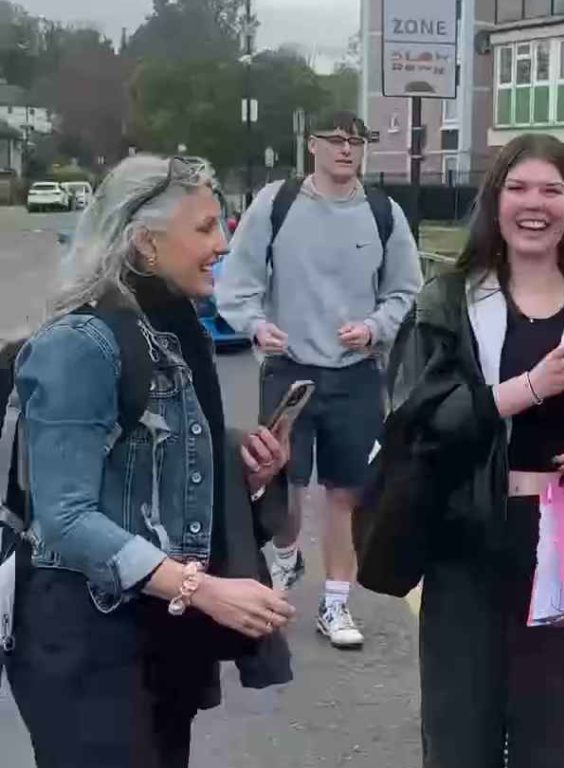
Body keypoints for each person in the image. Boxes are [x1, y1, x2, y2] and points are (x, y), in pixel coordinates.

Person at [378, 133, 564, 768]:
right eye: (519, 188)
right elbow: (418, 426)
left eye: (552, 190)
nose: (535, 204)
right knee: (459, 739)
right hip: (465, 541)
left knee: (555, 744)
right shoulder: (449, 302)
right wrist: (531, 388)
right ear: (495, 201)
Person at [5, 154, 295, 768]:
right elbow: (65, 518)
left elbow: (148, 459)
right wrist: (202, 588)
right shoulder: (81, 342)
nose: (223, 243)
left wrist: (238, 463)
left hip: (158, 631)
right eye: (206, 228)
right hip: (84, 642)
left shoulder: (170, 325)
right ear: (145, 242)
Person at [216, 110, 423, 648]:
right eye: (335, 140)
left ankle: (335, 607)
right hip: (289, 372)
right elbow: (236, 282)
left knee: (347, 495)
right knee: (282, 489)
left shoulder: (383, 212)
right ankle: (286, 553)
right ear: (312, 145)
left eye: (356, 141)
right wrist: (257, 326)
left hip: (355, 376)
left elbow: (405, 290)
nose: (346, 150)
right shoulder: (277, 204)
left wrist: (375, 327)